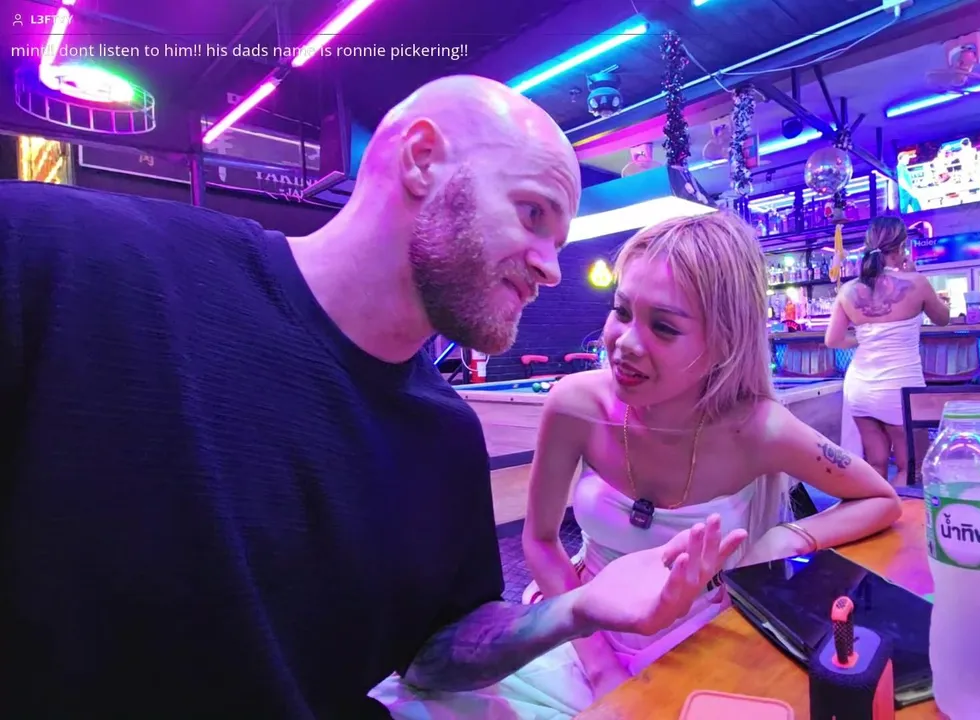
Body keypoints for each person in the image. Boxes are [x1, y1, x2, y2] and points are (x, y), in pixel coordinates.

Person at [0, 75, 745, 719]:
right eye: (533, 214)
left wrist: (575, 607)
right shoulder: (68, 255)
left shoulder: (446, 438)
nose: (552, 269)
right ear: (421, 159)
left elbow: (432, 657)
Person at [381, 212, 902, 718]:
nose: (625, 343)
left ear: (725, 342)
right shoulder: (575, 404)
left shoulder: (759, 427)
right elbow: (540, 541)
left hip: (706, 636)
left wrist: (788, 538)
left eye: (664, 327)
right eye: (623, 311)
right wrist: (601, 666)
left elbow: (881, 498)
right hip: (580, 635)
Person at [825, 216, 951, 482]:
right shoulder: (917, 283)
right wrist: (913, 274)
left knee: (875, 463)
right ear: (902, 246)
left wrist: (865, 338)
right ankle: (899, 509)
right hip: (900, 387)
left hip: (860, 387)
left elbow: (832, 340)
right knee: (911, 468)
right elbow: (943, 318)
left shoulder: (847, 290)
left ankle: (875, 507)